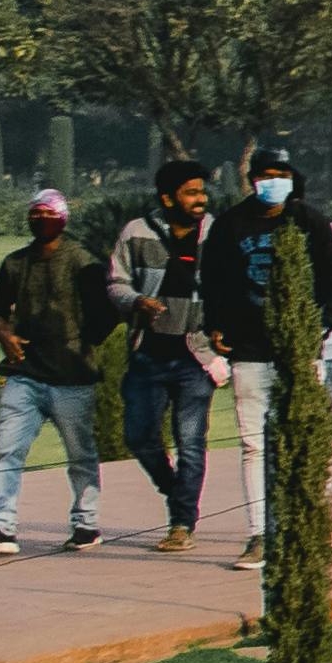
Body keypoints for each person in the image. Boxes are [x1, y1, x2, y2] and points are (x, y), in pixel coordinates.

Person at [202, 142, 332, 546]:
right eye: (266, 176)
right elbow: (213, 278)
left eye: (282, 177)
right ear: (253, 181)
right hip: (252, 346)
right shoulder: (231, 225)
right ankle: (260, 533)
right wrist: (215, 324)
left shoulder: (316, 224)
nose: (274, 184)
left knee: (323, 430)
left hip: (313, 346)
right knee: (255, 444)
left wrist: (331, 324)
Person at [0, 191, 118, 556]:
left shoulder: (82, 262)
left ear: (62, 218)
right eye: (35, 213)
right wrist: (3, 334)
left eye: (48, 213)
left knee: (80, 454)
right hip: (25, 372)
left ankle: (86, 524)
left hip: (72, 375)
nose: (40, 219)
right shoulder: (16, 263)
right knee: (8, 451)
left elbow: (106, 313)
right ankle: (2, 526)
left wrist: (82, 344)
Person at [106, 161, 218, 554]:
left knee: (190, 442)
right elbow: (116, 282)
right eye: (191, 192)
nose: (200, 199)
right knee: (138, 436)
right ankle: (175, 493)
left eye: (202, 191)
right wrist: (136, 300)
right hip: (148, 352)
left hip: (195, 355)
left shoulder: (215, 234)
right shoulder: (137, 233)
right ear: (168, 197)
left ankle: (182, 522)